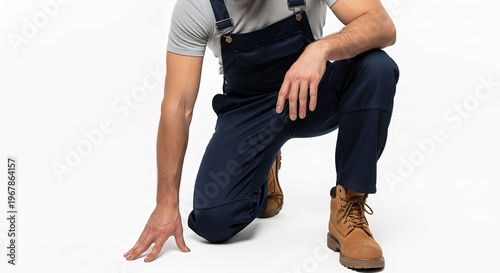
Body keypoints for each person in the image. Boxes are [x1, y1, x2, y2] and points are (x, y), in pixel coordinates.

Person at [124, 0, 399, 269]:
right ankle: (263, 167)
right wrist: (165, 204)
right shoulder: (196, 6)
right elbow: (178, 106)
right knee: (213, 221)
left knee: (376, 67)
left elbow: (382, 24)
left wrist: (322, 48)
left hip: (313, 94)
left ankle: (348, 206)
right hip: (250, 112)